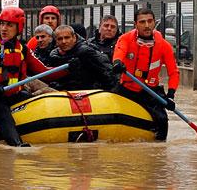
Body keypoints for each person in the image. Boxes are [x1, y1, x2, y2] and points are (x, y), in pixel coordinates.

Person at [0, 7, 68, 146]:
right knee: (3, 114)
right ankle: (17, 146)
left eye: (9, 25)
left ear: (19, 27)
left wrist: (68, 69)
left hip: (11, 95)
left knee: (36, 102)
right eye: (2, 24)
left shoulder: (23, 48)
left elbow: (44, 72)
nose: (4, 29)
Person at [112, 8, 179, 141]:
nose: (147, 25)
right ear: (136, 24)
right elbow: (119, 52)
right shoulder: (125, 39)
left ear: (154, 23)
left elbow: (173, 72)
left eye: (150, 21)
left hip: (150, 92)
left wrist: (170, 95)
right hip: (126, 89)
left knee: (162, 120)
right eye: (142, 22)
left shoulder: (164, 46)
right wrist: (117, 63)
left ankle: (158, 151)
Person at [49, 25, 117, 91]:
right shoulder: (54, 56)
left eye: (67, 38)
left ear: (74, 37)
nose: (64, 42)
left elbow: (107, 72)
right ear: (56, 41)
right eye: (60, 39)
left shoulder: (86, 51)